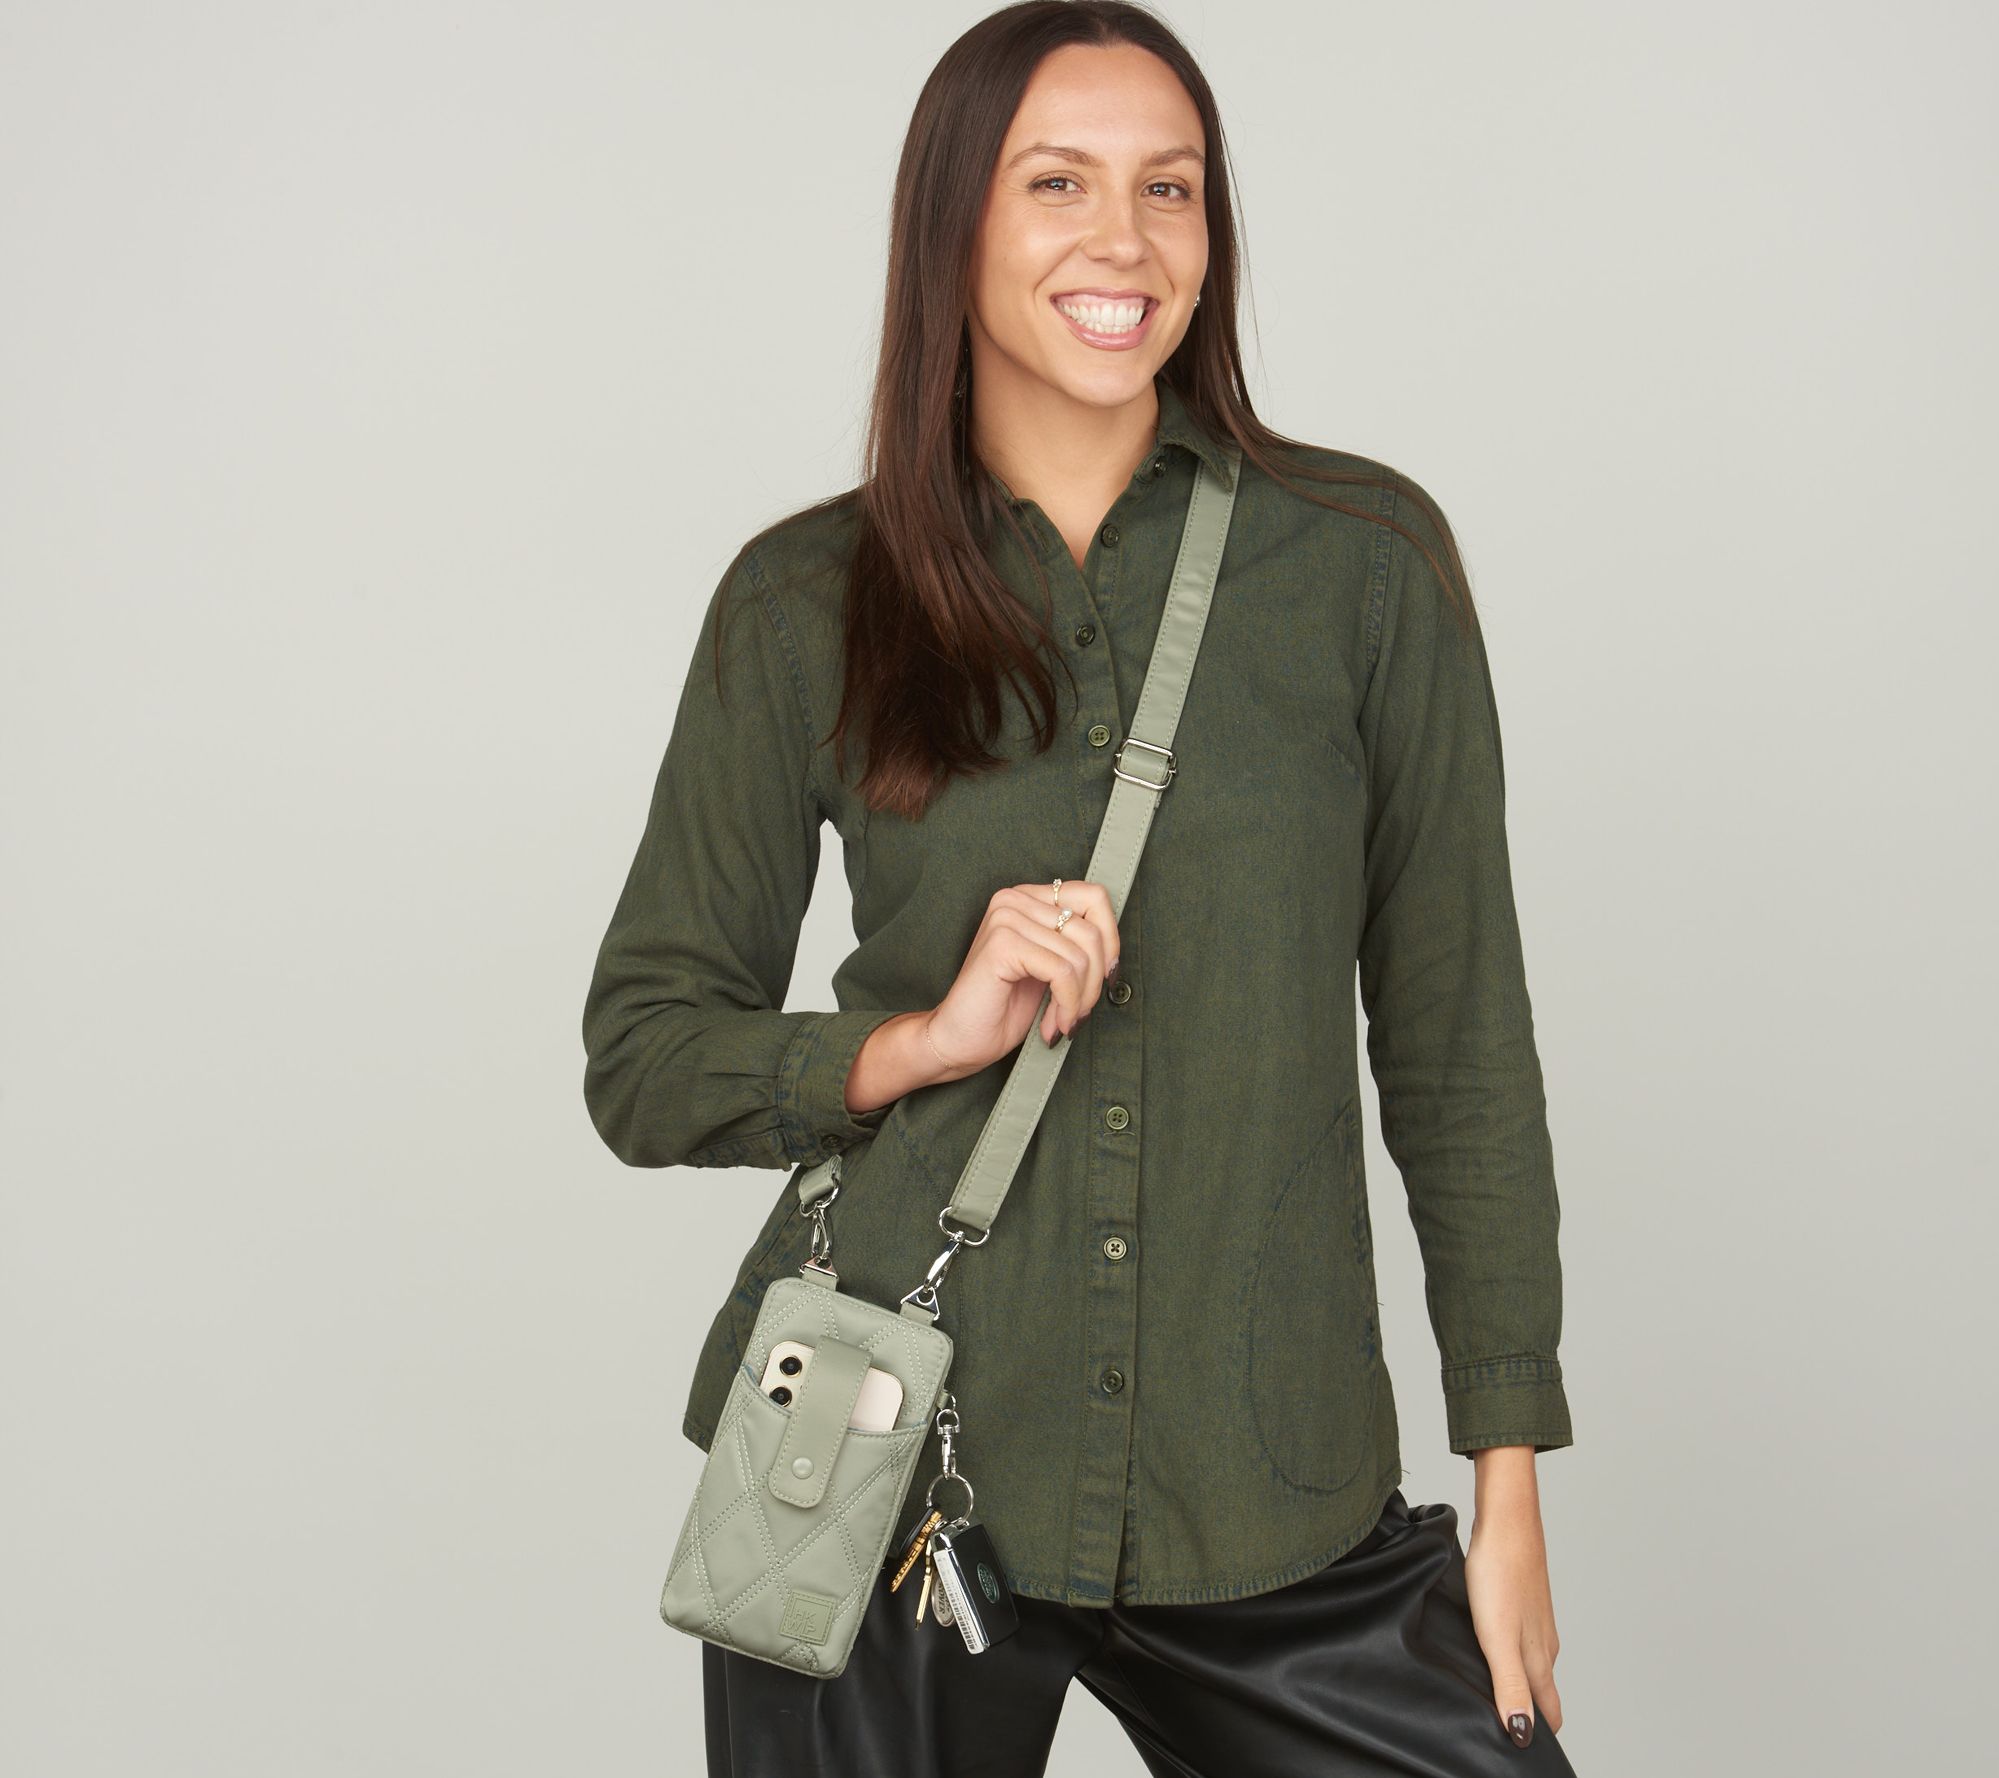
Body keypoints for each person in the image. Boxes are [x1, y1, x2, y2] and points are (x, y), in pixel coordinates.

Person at [581, 4, 1579, 1773]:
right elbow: (645, 1053)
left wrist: (1509, 1487)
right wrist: (918, 1041)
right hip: (891, 1463)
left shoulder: (1364, 568)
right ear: (953, 224)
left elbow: (1461, 1049)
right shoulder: (803, 601)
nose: (1125, 241)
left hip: (1267, 1476)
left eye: (1169, 189)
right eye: (1059, 184)